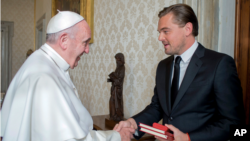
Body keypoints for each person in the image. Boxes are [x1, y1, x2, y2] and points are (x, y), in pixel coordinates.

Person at [114, 4, 245, 141]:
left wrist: (188, 138)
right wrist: (132, 123)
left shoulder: (220, 64)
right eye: (159, 32)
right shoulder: (163, 66)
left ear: (187, 29)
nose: (160, 37)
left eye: (166, 31)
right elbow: (157, 107)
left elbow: (236, 126)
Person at [0, 11, 134, 141]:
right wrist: (117, 136)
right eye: (85, 42)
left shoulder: (40, 63)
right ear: (64, 40)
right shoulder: (44, 79)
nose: (87, 50)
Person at [107, 53, 125, 121]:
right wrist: (111, 79)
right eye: (116, 60)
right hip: (114, 89)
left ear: (122, 60)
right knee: (111, 101)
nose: (117, 62)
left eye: (118, 60)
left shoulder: (122, 68)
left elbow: (119, 81)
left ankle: (118, 116)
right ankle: (113, 116)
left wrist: (113, 77)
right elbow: (116, 78)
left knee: (117, 104)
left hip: (118, 90)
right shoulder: (117, 68)